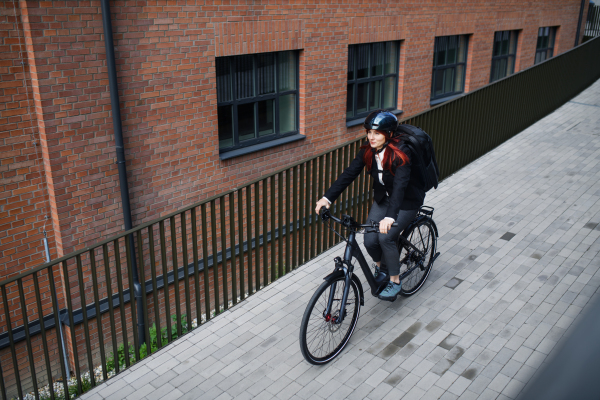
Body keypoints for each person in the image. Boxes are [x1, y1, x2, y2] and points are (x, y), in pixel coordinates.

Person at [314, 110, 426, 301]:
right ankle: (381, 266)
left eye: (377, 133)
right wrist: (327, 198)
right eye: (369, 132)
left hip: (406, 202)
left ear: (388, 134)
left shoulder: (401, 152)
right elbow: (349, 174)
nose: (371, 137)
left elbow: (400, 187)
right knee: (369, 241)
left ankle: (395, 280)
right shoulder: (368, 151)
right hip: (384, 199)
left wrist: (390, 218)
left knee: (385, 238)